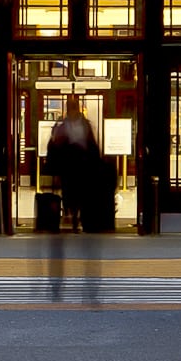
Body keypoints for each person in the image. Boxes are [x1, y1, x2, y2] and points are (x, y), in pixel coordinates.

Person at [40, 107, 118, 302]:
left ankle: (77, 217)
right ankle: (71, 214)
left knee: (79, 194)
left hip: (83, 168)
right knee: (69, 193)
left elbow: (91, 147)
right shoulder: (66, 126)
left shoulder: (78, 126)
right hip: (70, 167)